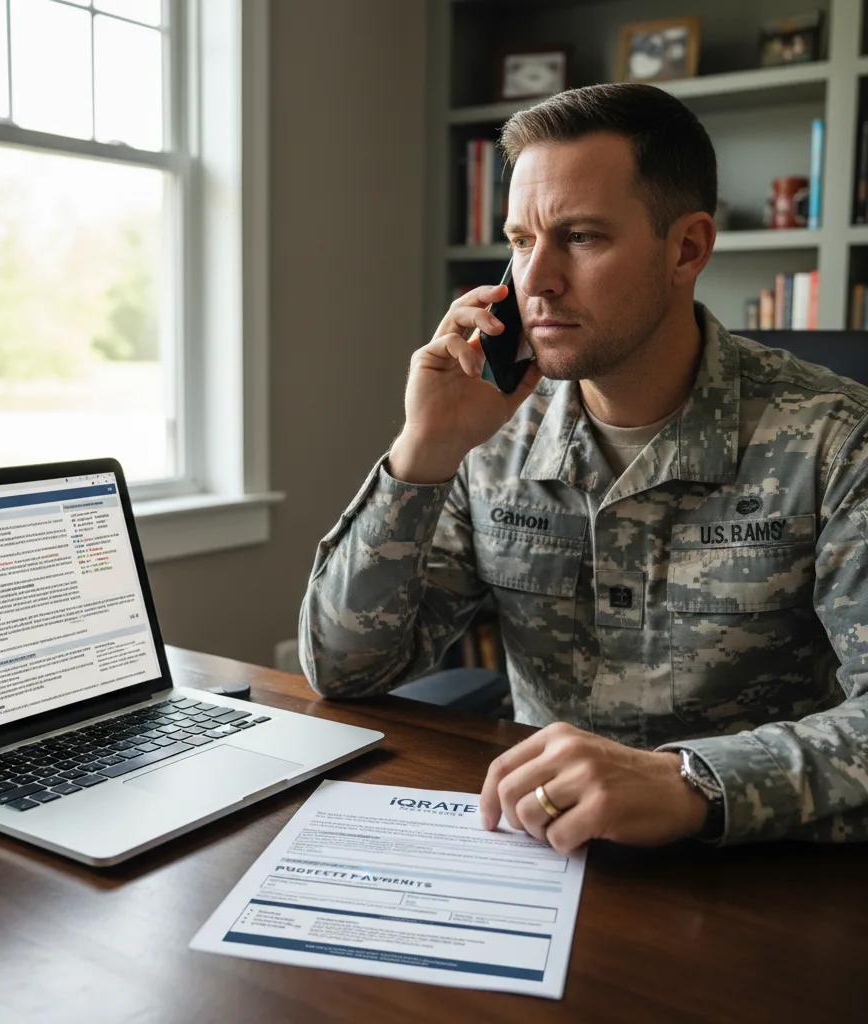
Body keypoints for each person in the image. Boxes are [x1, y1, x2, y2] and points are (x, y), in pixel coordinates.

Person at [298, 83, 868, 852]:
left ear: (688, 248)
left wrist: (694, 781)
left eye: (582, 237)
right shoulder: (488, 431)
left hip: (756, 869)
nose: (535, 282)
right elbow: (344, 672)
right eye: (522, 240)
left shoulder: (836, 439)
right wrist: (422, 455)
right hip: (537, 852)